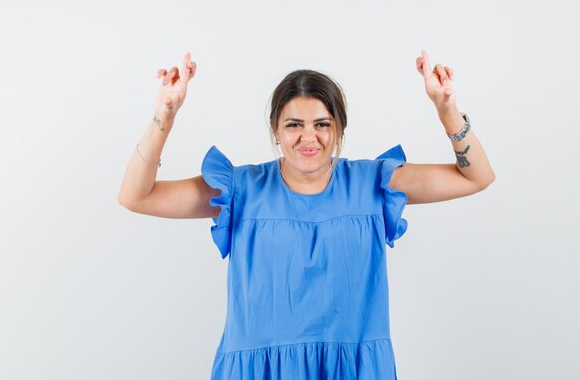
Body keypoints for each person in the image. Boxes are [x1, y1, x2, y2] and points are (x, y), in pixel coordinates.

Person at [118, 50, 495, 380]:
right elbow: (136, 196)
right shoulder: (241, 190)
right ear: (276, 131)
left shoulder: (372, 184)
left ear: (339, 129)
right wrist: (164, 116)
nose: (308, 137)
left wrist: (446, 109)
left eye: (322, 124)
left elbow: (477, 177)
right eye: (294, 125)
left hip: (353, 368)